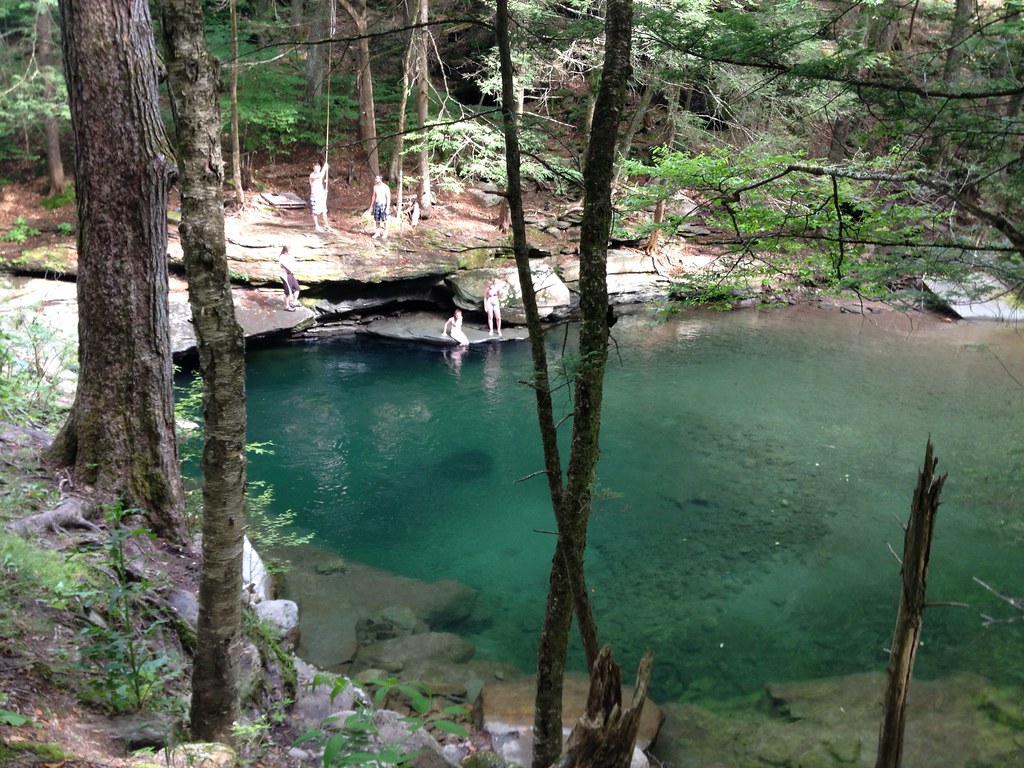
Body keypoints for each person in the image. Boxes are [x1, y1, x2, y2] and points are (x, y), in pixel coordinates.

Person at [309, 160, 331, 232]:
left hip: (320, 194)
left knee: (324, 210)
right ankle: (316, 225)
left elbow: (319, 184)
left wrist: (324, 191)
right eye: (315, 168)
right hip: (315, 195)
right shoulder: (312, 175)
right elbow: (320, 176)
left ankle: (326, 224)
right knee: (315, 211)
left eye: (318, 168)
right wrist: (324, 168)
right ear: (313, 168)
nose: (317, 169)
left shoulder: (319, 174)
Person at [370, 175, 391, 240]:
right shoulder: (375, 187)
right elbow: (373, 196)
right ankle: (377, 232)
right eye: (375, 178)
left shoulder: (385, 187)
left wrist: (387, 207)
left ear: (380, 179)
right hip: (377, 204)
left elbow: (388, 198)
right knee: (377, 219)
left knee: (385, 220)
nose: (375, 179)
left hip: (383, 204)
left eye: (376, 178)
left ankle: (385, 233)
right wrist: (371, 206)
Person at [279, 246, 300, 311]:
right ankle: (287, 306)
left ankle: (294, 302)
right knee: (287, 292)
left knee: (297, 288)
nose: (290, 252)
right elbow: (285, 265)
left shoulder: (288, 256)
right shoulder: (282, 257)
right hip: (285, 275)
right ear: (285, 251)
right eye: (289, 251)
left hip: (290, 274)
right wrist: (291, 270)